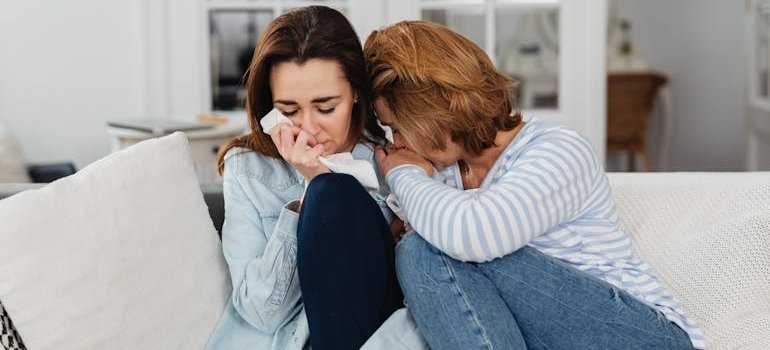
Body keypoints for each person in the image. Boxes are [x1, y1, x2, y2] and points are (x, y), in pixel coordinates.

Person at [364, 20, 705, 350]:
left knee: (423, 249)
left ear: (433, 111)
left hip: (642, 337)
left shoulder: (559, 150)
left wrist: (403, 174)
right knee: (419, 249)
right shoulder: (445, 170)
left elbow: (472, 234)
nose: (398, 144)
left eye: (400, 127)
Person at [205, 6, 403, 350]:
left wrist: (325, 186)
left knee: (333, 192)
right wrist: (311, 186)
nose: (308, 128)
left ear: (356, 93)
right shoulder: (248, 169)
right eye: (289, 111)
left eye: (326, 107)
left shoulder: (393, 165)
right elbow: (260, 310)